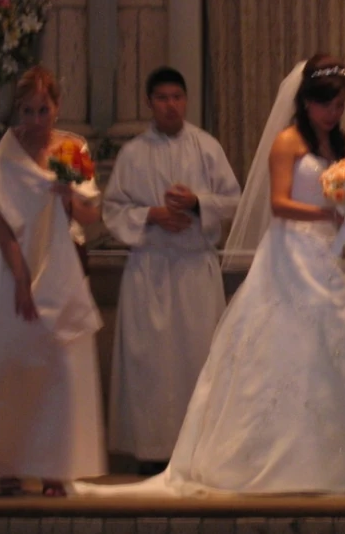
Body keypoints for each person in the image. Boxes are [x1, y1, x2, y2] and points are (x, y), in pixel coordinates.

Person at [74, 54, 345, 496]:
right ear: (306, 102)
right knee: (283, 353)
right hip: (291, 255)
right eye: (326, 105)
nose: (334, 113)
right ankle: (267, 456)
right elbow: (279, 203)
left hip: (329, 259)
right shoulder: (287, 141)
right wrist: (330, 211)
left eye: (339, 104)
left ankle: (336, 460)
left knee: (332, 350)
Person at [0, 65, 106, 497]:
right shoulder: (8, 150)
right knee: (15, 361)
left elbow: (91, 214)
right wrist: (21, 281)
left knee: (60, 363)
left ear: (56, 106)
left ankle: (56, 466)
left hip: (59, 264)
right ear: (17, 111)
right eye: (28, 111)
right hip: (16, 265)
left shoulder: (70, 148)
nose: (37, 119)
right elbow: (1, 225)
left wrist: (71, 196)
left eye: (44, 109)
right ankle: (9, 464)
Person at [103, 67, 240, 475]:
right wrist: (153, 215)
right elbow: (112, 210)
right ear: (150, 103)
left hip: (194, 271)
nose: (170, 105)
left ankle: (197, 452)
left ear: (186, 100)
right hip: (151, 273)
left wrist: (197, 203)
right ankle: (152, 453)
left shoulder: (206, 147)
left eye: (177, 97)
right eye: (162, 98)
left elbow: (233, 200)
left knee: (198, 363)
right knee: (152, 370)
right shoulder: (133, 154)